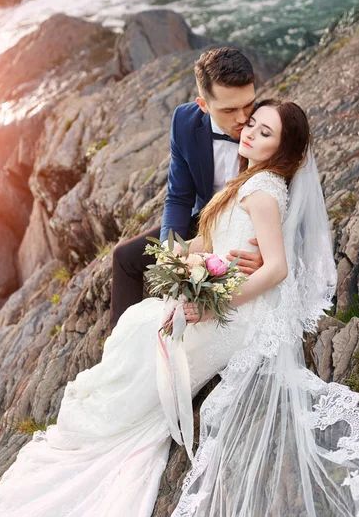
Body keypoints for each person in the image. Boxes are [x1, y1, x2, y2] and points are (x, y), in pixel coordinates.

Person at [0, 100, 359, 517]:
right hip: (220, 292)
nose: (251, 132)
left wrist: (212, 303)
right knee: (141, 327)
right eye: (252, 123)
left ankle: (114, 415)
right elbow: (223, 243)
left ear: (284, 149)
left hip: (238, 316)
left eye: (265, 132)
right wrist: (183, 258)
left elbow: (277, 268)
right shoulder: (249, 180)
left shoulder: (263, 190)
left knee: (147, 338)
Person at [109, 47, 263, 330]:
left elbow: (285, 196)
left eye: (248, 105)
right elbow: (179, 196)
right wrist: (171, 252)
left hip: (250, 230)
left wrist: (265, 250)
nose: (243, 118)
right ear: (203, 105)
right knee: (124, 258)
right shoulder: (184, 121)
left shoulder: (268, 125)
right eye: (229, 110)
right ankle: (120, 347)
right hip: (204, 219)